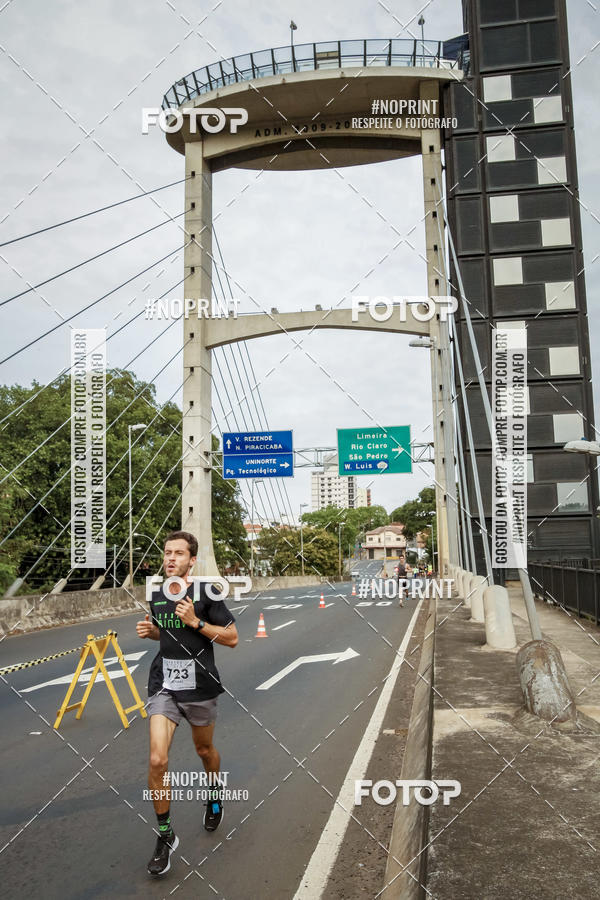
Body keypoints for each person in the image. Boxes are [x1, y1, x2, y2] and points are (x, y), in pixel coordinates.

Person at [136, 530, 238, 877]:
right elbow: (168, 634)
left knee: (205, 751)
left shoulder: (208, 592)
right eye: (167, 552)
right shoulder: (157, 593)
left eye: (179, 553)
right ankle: (165, 835)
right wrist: (153, 632)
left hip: (200, 687)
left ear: (192, 560)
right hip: (164, 684)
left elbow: (232, 639)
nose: (171, 558)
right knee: (156, 758)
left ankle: (213, 794)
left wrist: (195, 621)